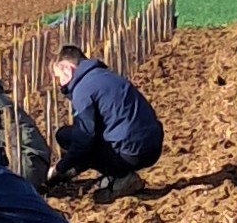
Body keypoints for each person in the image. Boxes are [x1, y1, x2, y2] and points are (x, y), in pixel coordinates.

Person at [46, 45, 163, 199]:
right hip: (153, 145)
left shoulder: (83, 90)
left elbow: (84, 140)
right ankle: (113, 171)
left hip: (132, 153)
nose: (60, 84)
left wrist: (60, 168)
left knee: (70, 137)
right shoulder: (105, 75)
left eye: (59, 76)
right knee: (68, 134)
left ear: (68, 69)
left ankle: (121, 177)